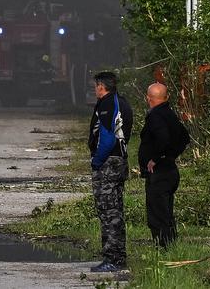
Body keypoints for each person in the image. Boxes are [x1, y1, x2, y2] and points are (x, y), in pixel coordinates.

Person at [87, 71, 133, 273]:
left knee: (108, 213)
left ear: (101, 86)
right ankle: (118, 257)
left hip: (108, 163)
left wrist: (97, 161)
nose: (95, 89)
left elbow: (107, 139)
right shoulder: (121, 102)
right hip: (118, 161)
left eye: (96, 86)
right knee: (115, 210)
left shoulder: (107, 104)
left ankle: (112, 259)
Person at [138, 82, 190, 249]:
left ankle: (163, 247)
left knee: (157, 214)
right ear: (166, 97)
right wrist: (171, 156)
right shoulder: (169, 114)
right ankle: (170, 245)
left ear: (148, 98)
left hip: (160, 173)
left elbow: (163, 138)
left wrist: (156, 158)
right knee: (165, 211)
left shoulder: (156, 116)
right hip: (170, 171)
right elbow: (184, 137)